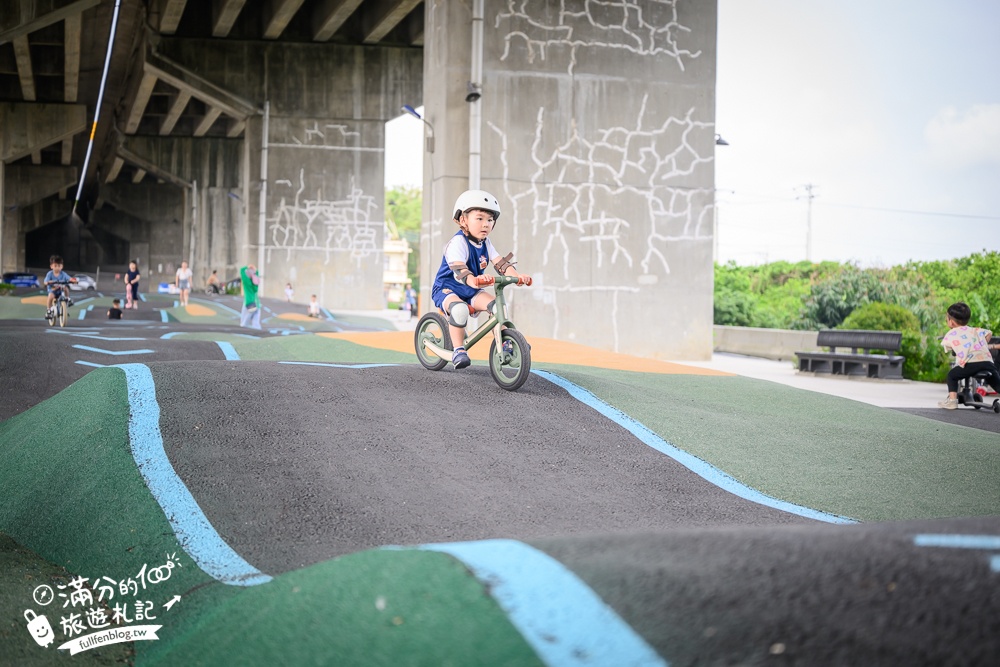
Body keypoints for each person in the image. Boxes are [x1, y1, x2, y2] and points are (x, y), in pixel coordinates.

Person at [431, 189, 532, 369]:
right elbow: (460, 270)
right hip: (448, 288)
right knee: (460, 309)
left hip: (471, 289)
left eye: (490, 220)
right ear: (463, 219)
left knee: (496, 305)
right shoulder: (457, 243)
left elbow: (500, 263)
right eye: (479, 218)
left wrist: (517, 277)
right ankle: (459, 350)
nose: (486, 224)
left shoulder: (486, 243)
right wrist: (474, 279)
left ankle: (506, 343)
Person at [938, 301, 1000, 409]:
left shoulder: (952, 333)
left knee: (952, 376)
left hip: (970, 363)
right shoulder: (975, 330)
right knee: (995, 382)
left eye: (946, 319)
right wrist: (981, 343)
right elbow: (989, 333)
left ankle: (952, 401)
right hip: (987, 361)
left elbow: (948, 347)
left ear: (951, 322)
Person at [239, 264, 262, 329]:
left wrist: (248, 266)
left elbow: (242, 270)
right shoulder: (255, 283)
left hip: (249, 303)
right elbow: (256, 273)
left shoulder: (246, 282)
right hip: (257, 304)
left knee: (244, 322)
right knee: (256, 323)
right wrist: (254, 270)